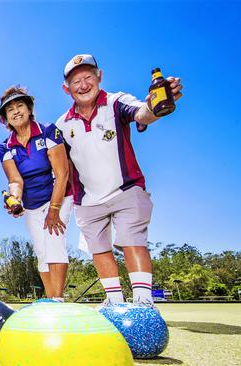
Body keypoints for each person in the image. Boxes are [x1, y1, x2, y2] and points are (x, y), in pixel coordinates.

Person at [56, 54, 183, 306]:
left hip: (126, 189)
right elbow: (60, 167)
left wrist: (156, 105)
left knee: (131, 239)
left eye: (88, 77)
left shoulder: (116, 101)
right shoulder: (62, 124)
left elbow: (142, 113)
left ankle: (144, 301)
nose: (83, 85)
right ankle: (114, 300)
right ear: (66, 89)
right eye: (75, 81)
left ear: (99, 76)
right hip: (87, 199)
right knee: (99, 249)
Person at [0, 85, 72, 301]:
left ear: (29, 109)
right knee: (41, 250)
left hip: (59, 194)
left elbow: (62, 172)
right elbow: (15, 180)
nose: (16, 111)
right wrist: (15, 199)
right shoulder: (5, 147)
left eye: (20, 105)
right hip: (32, 203)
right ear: (6, 119)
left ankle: (57, 301)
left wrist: (54, 209)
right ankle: (50, 299)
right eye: (10, 110)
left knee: (54, 241)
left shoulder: (49, 130)